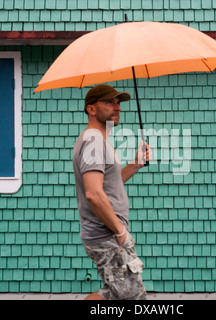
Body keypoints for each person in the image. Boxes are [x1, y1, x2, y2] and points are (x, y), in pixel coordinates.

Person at [72, 84, 151, 300]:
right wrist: (120, 233)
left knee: (114, 295)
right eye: (109, 102)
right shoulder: (93, 141)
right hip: (107, 234)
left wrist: (135, 164)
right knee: (132, 296)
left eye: (118, 103)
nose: (117, 107)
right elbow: (94, 194)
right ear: (91, 109)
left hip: (109, 233)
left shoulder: (100, 140)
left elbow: (108, 185)